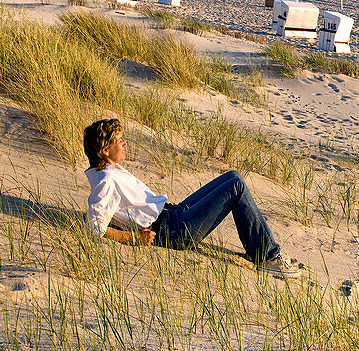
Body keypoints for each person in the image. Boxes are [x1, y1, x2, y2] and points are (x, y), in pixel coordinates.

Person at [82, 118, 302, 278]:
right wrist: (133, 238)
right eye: (119, 141)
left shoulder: (111, 170)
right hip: (174, 231)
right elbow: (94, 227)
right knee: (236, 187)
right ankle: (268, 257)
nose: (124, 143)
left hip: (173, 213)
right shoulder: (105, 181)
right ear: (104, 150)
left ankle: (257, 248)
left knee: (233, 176)